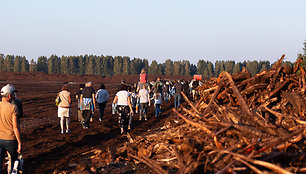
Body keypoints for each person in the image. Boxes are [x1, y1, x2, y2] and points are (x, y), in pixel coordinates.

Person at [0, 84, 22, 173]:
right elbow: (15, 127)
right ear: (9, 95)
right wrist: (19, 143)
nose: (14, 96)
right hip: (10, 139)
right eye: (13, 94)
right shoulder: (13, 107)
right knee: (14, 161)